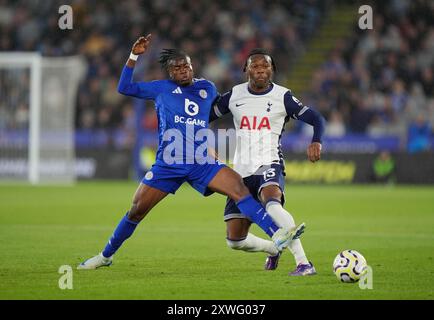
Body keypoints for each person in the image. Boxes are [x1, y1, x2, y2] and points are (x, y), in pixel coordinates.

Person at [77, 36, 304, 269]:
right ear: (169, 72)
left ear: (192, 66)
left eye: (186, 65)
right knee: (136, 211)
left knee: (239, 188)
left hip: (201, 162)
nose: (183, 70)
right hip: (169, 163)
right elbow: (123, 87)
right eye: (177, 68)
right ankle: (105, 256)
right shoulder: (160, 89)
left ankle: (277, 234)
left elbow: (208, 117)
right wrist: (134, 56)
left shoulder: (207, 88)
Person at [210, 48, 325, 275]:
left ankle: (303, 263)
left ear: (272, 70)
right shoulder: (234, 95)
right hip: (240, 172)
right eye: (256, 66)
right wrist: (203, 144)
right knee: (235, 240)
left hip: (269, 162)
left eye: (266, 67)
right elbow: (202, 117)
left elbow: (316, 118)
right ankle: (273, 249)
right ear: (246, 70)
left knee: (272, 204)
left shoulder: (283, 96)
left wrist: (317, 141)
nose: (261, 71)